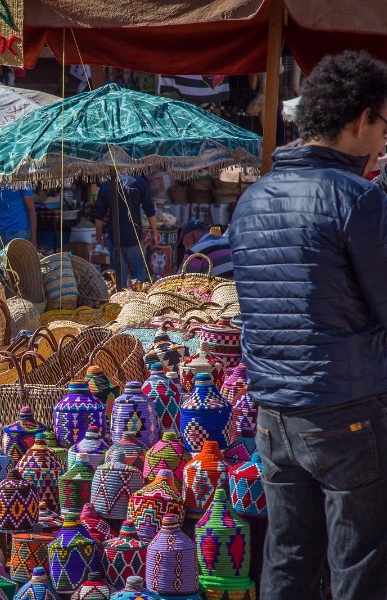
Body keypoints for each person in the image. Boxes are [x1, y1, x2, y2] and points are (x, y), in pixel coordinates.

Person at [228, 50, 387, 598]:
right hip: (346, 408)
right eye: (385, 124)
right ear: (362, 118)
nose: (384, 140)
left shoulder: (252, 199)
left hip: (274, 410)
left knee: (288, 559)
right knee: (358, 564)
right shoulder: (359, 200)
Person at [91, 175, 157, 286]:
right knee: (138, 276)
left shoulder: (106, 186)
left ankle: (119, 301)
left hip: (114, 237)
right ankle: (138, 300)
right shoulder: (139, 183)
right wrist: (154, 233)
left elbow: (99, 215)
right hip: (133, 236)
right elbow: (150, 211)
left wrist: (99, 237)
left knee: (118, 278)